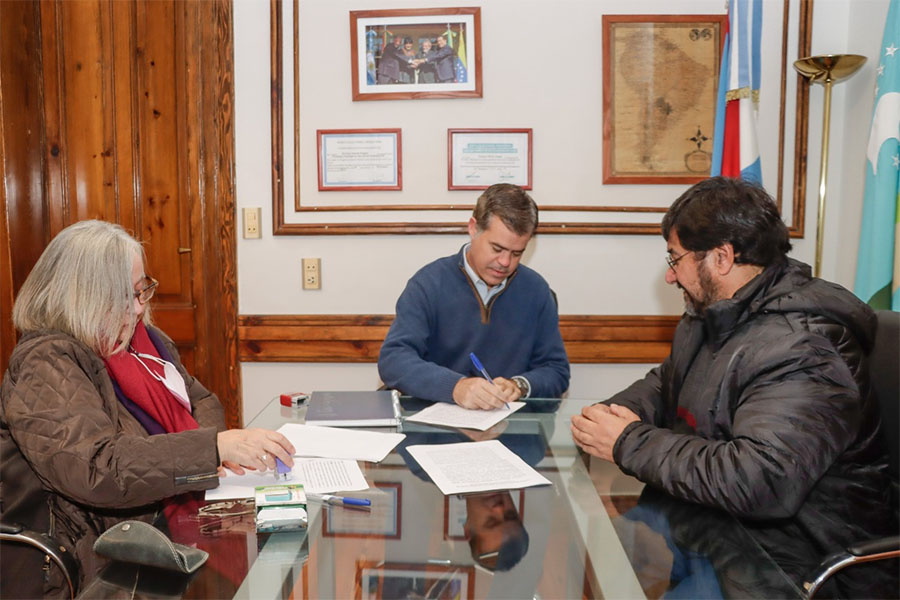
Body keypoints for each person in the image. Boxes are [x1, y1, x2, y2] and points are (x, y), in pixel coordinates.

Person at [570, 176, 896, 598]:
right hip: (715, 524)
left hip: (796, 558)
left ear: (721, 257)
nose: (671, 277)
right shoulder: (712, 316)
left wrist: (627, 442)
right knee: (592, 558)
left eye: (676, 259)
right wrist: (614, 414)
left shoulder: (805, 345)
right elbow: (667, 383)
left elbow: (760, 482)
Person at [0, 220, 295, 598]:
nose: (141, 307)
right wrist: (210, 450)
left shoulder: (144, 341)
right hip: (91, 559)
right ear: (84, 296)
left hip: (151, 526)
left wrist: (206, 453)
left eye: (143, 290)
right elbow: (97, 468)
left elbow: (200, 400)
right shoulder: (45, 363)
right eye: (129, 295)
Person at [378, 183, 570, 409]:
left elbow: (556, 371)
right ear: (473, 228)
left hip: (511, 430)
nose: (505, 262)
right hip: (435, 431)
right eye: (497, 249)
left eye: (517, 253)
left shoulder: (536, 290)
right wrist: (455, 387)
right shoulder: (429, 283)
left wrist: (520, 385)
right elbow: (394, 360)